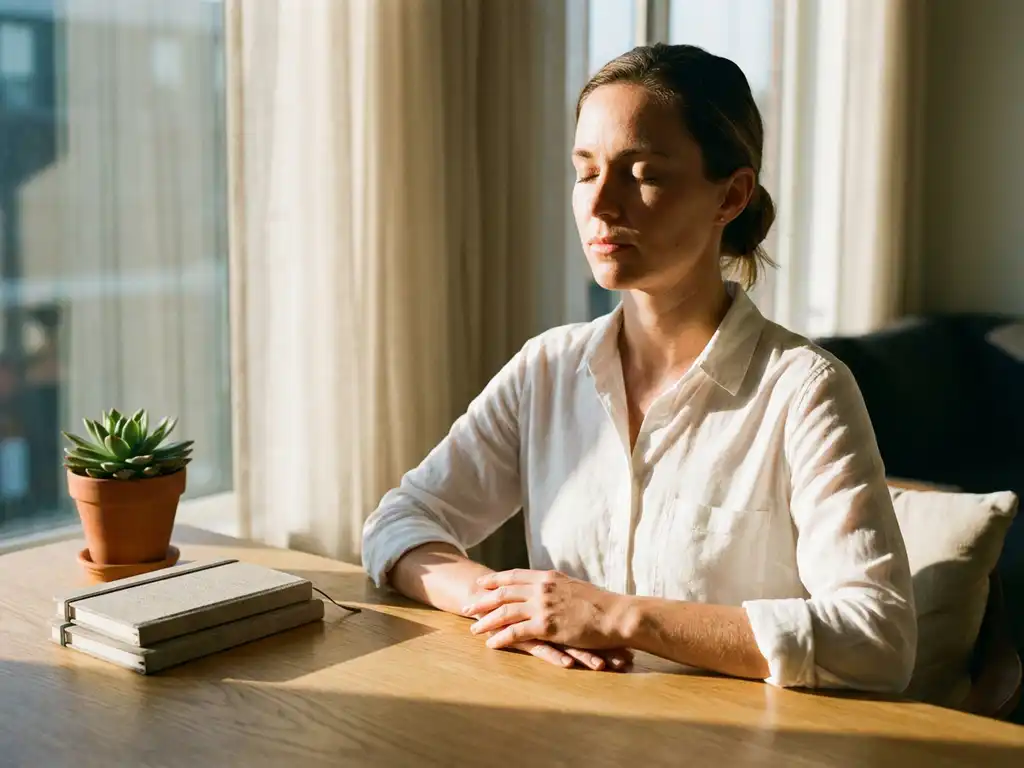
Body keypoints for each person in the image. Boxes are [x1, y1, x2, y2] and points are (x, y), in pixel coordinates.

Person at [362, 43, 917, 691]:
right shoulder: (547, 369)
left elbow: (877, 639)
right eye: (586, 171)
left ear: (731, 196)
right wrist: (509, 602)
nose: (601, 205)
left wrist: (621, 617)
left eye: (643, 173)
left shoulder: (804, 390)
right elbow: (398, 524)